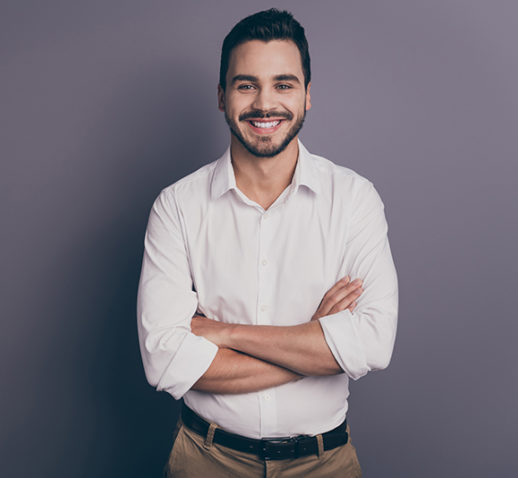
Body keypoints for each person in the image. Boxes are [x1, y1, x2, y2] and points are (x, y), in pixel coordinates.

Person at [136, 8, 398, 477]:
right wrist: (315, 342)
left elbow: (373, 344)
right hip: (206, 460)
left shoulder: (354, 199)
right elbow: (165, 360)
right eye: (246, 84)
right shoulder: (176, 206)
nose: (264, 103)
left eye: (283, 84)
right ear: (221, 96)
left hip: (325, 464)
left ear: (307, 95)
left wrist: (227, 333)